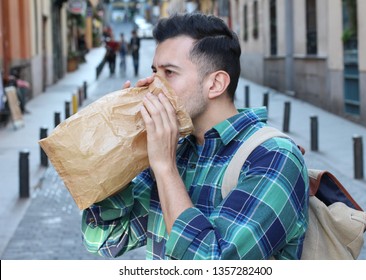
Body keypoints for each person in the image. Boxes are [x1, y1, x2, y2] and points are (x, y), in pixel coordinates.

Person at [82, 13, 309, 260]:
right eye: (154, 72)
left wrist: (166, 169)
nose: (152, 86)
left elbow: (212, 261)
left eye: (168, 73)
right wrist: (124, 151)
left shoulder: (273, 157)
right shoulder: (179, 150)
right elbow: (105, 238)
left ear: (215, 84)